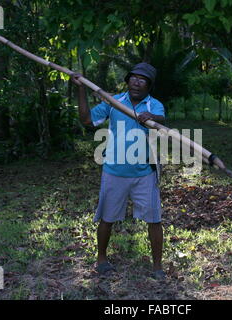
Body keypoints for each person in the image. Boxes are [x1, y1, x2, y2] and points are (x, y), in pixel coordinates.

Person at [72, 62, 166, 280]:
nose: (136, 81)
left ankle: (157, 266)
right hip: (114, 172)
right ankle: (101, 258)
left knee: (154, 219)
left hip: (145, 172)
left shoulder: (155, 105)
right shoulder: (113, 102)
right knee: (107, 217)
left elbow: (161, 119)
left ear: (149, 85)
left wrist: (149, 117)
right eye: (133, 77)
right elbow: (87, 120)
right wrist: (81, 89)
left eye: (142, 79)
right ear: (127, 80)